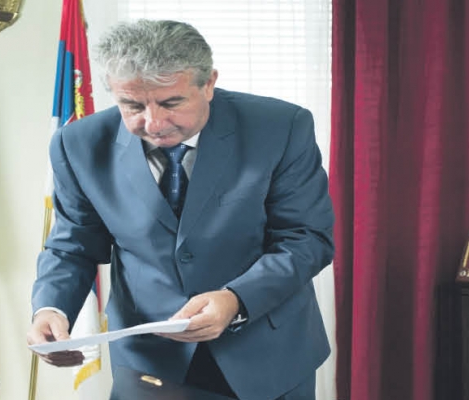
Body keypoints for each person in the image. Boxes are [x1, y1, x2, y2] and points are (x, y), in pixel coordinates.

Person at [27, 19, 334, 400]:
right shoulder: (78, 144)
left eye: (171, 103)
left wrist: (236, 300)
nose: (154, 123)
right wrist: (51, 309)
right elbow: (72, 246)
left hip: (267, 352)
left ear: (209, 84)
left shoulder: (281, 127)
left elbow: (306, 238)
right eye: (132, 105)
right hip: (149, 359)